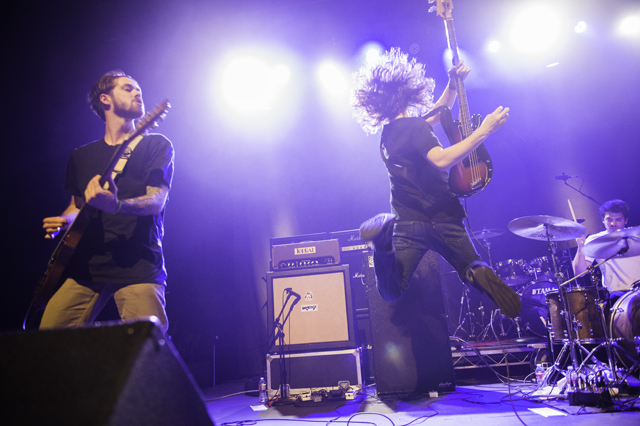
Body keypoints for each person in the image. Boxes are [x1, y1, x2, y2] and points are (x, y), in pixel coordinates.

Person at [350, 48, 521, 319]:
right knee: (470, 266)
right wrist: (484, 130)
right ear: (407, 92)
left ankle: (382, 246)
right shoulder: (415, 128)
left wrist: (452, 85)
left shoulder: (391, 133)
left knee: (391, 291)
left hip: (408, 223)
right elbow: (441, 160)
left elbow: (438, 114)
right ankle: (478, 271)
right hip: (445, 218)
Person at [40, 70, 174, 334]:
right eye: (127, 88)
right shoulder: (81, 156)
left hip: (138, 264)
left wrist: (117, 205)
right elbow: (77, 205)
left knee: (146, 346)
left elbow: (156, 201)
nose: (137, 93)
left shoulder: (156, 145)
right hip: (87, 265)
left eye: (138, 90)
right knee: (48, 339)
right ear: (105, 99)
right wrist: (63, 221)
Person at [573, 199, 640, 302]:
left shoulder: (636, 236)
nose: (613, 223)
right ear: (603, 220)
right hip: (619, 294)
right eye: (609, 219)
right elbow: (580, 273)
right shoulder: (595, 240)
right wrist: (580, 246)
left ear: (626, 220)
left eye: (618, 219)